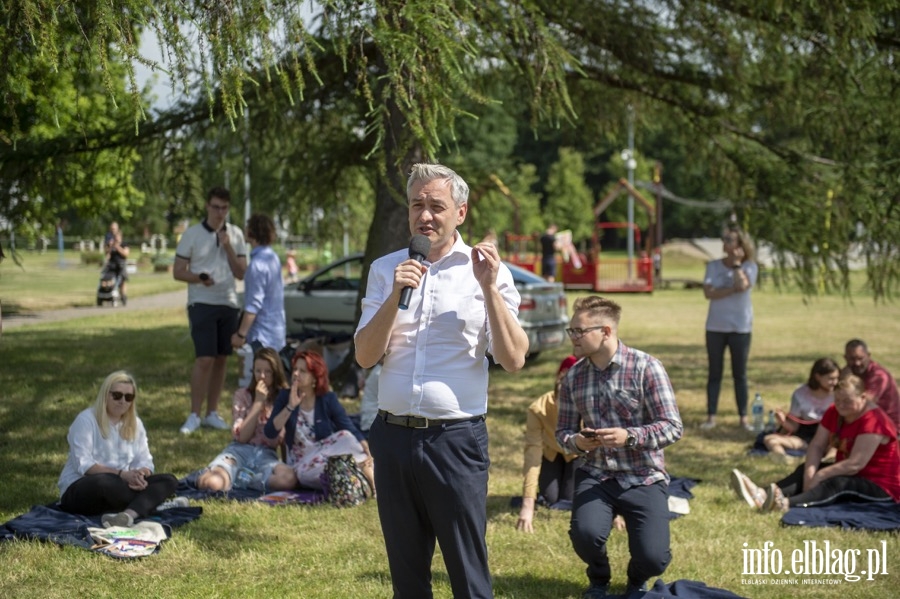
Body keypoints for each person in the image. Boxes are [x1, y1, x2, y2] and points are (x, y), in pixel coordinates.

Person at [355, 163, 529, 599]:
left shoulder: (488, 271)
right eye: (418, 205)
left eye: (437, 206)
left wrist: (488, 289)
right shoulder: (386, 270)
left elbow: (513, 358)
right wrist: (396, 296)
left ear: (461, 212)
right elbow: (364, 355)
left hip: (455, 441)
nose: (425, 216)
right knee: (407, 579)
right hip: (392, 439)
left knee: (468, 577)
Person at [555, 296, 683, 598]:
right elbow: (561, 432)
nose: (572, 337)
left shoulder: (647, 368)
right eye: (571, 330)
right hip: (596, 474)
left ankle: (637, 577)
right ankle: (599, 578)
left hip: (644, 476)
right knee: (585, 535)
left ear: (607, 331)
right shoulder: (573, 377)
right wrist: (577, 441)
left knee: (654, 558)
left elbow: (672, 426)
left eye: (579, 331)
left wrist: (631, 436)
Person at [732, 373, 900, 512]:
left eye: (847, 401)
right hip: (852, 474)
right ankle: (762, 494)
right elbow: (817, 445)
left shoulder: (874, 421)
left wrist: (820, 476)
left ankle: (784, 504)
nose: (841, 405)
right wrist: (809, 474)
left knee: (838, 483)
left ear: (863, 397)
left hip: (881, 486)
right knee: (804, 469)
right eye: (837, 400)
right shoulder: (834, 412)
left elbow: (855, 464)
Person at [58, 371, 179, 528]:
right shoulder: (86, 420)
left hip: (121, 487)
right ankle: (153, 503)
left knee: (169, 480)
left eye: (128, 397)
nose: (123, 401)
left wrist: (140, 475)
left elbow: (145, 461)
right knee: (105, 481)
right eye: (117, 395)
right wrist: (123, 475)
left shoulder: (136, 424)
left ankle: (127, 515)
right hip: (82, 489)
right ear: (105, 395)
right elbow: (84, 465)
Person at [173, 187, 248, 434]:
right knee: (204, 357)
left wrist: (227, 246)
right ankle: (194, 414)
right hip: (201, 302)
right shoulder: (192, 234)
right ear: (207, 206)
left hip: (228, 301)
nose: (219, 212)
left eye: (224, 208)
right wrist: (198, 278)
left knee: (221, 358)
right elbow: (177, 271)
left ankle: (212, 413)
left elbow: (241, 272)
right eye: (215, 207)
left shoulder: (235, 234)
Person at [264, 350, 373, 492]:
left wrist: (367, 451)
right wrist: (290, 406)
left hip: (325, 453)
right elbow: (270, 432)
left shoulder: (327, 398)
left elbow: (349, 428)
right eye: (295, 369)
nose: (296, 374)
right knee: (308, 473)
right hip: (302, 463)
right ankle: (353, 473)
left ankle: (356, 469)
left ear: (315, 377)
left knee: (345, 437)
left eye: (302, 371)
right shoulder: (285, 396)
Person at [197, 348, 298, 493]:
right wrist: (258, 402)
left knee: (288, 479)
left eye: (268, 371)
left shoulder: (284, 398)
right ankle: (229, 475)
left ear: (276, 373)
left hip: (266, 456)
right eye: (258, 371)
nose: (262, 376)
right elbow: (242, 437)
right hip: (240, 451)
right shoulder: (242, 395)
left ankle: (248, 480)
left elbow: (282, 441)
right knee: (212, 483)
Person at [516, 354, 582, 533]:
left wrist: (616, 510)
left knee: (569, 500)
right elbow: (532, 454)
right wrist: (528, 505)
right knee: (551, 500)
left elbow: (603, 451)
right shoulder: (538, 409)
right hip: (551, 452)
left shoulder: (588, 405)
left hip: (578, 454)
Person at [701, 225, 758, 430]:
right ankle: (711, 417)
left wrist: (735, 267)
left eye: (730, 239)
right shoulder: (713, 266)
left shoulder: (750, 266)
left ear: (740, 245)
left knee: (739, 374)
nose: (725, 242)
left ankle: (743, 418)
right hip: (715, 327)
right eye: (724, 239)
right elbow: (708, 293)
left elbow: (743, 286)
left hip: (740, 327)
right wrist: (732, 289)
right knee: (714, 373)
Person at [763, 358, 839, 464]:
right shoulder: (801, 394)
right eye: (831, 379)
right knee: (769, 439)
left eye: (837, 378)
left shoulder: (839, 394)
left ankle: (827, 461)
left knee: (837, 445)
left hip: (829, 438)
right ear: (817, 377)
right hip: (805, 437)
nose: (835, 382)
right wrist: (783, 421)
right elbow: (794, 427)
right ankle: (783, 458)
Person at [230, 213, 285, 353]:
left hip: (262, 334)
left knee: (260, 373)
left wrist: (240, 334)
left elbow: (253, 305)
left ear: (251, 232)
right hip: (276, 329)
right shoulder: (273, 258)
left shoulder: (257, 265)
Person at [844, 339, 900, 431]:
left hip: (890, 427)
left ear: (868, 356)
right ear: (845, 358)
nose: (857, 363)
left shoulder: (878, 375)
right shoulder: (850, 372)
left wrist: (845, 381)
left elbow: (866, 403)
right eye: (852, 359)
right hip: (868, 422)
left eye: (860, 358)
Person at [103, 221, 130, 305]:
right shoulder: (111, 243)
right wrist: (111, 247)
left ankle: (123, 296)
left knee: (122, 280)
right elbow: (107, 253)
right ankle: (107, 294)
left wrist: (118, 247)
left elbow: (126, 254)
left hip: (121, 264)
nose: (117, 238)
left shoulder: (124, 244)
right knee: (107, 278)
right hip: (112, 264)